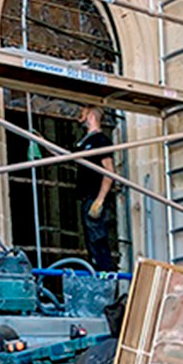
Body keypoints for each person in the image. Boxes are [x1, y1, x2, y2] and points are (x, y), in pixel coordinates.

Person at [76, 104, 119, 274]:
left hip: (95, 196)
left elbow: (109, 171)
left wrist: (100, 199)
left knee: (97, 237)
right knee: (91, 239)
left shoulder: (100, 140)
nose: (79, 116)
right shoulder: (84, 142)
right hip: (87, 197)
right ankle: (97, 270)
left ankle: (104, 272)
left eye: (83, 112)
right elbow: (64, 155)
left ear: (91, 116)